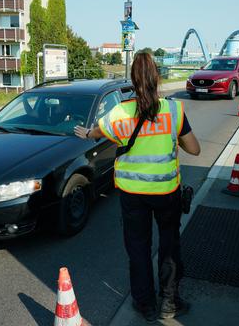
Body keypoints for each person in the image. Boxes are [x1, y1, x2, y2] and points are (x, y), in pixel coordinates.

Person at [74, 52, 201, 322]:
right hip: (167, 193)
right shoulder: (173, 109)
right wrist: (172, 138)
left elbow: (98, 131)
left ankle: (145, 305)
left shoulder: (119, 112)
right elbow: (195, 149)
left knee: (138, 249)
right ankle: (169, 303)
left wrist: (86, 133)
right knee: (169, 247)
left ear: (132, 80)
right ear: (157, 77)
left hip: (132, 195)